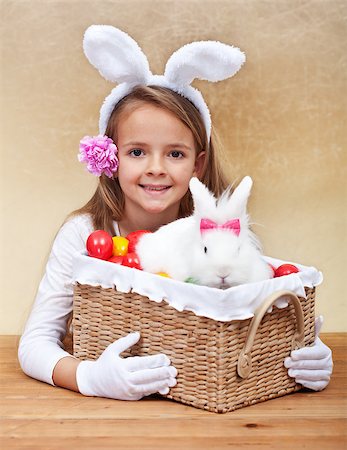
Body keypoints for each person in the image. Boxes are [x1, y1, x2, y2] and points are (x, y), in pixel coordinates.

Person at [18, 25, 332, 401]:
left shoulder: (221, 240)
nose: (156, 168)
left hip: (203, 401)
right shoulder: (83, 234)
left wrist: (305, 351)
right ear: (111, 157)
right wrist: (89, 378)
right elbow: (34, 343)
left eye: (175, 153)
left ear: (198, 164)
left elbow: (254, 327)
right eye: (137, 152)